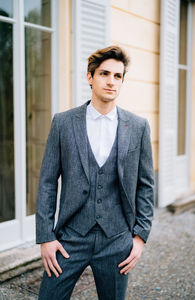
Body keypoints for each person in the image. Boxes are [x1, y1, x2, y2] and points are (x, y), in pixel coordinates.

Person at [36, 45, 154, 300]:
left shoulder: (138, 127)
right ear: (90, 77)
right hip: (70, 239)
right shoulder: (63, 122)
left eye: (117, 76)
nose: (111, 81)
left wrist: (140, 236)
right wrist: (46, 236)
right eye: (104, 74)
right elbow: (47, 182)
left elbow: (145, 185)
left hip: (117, 239)